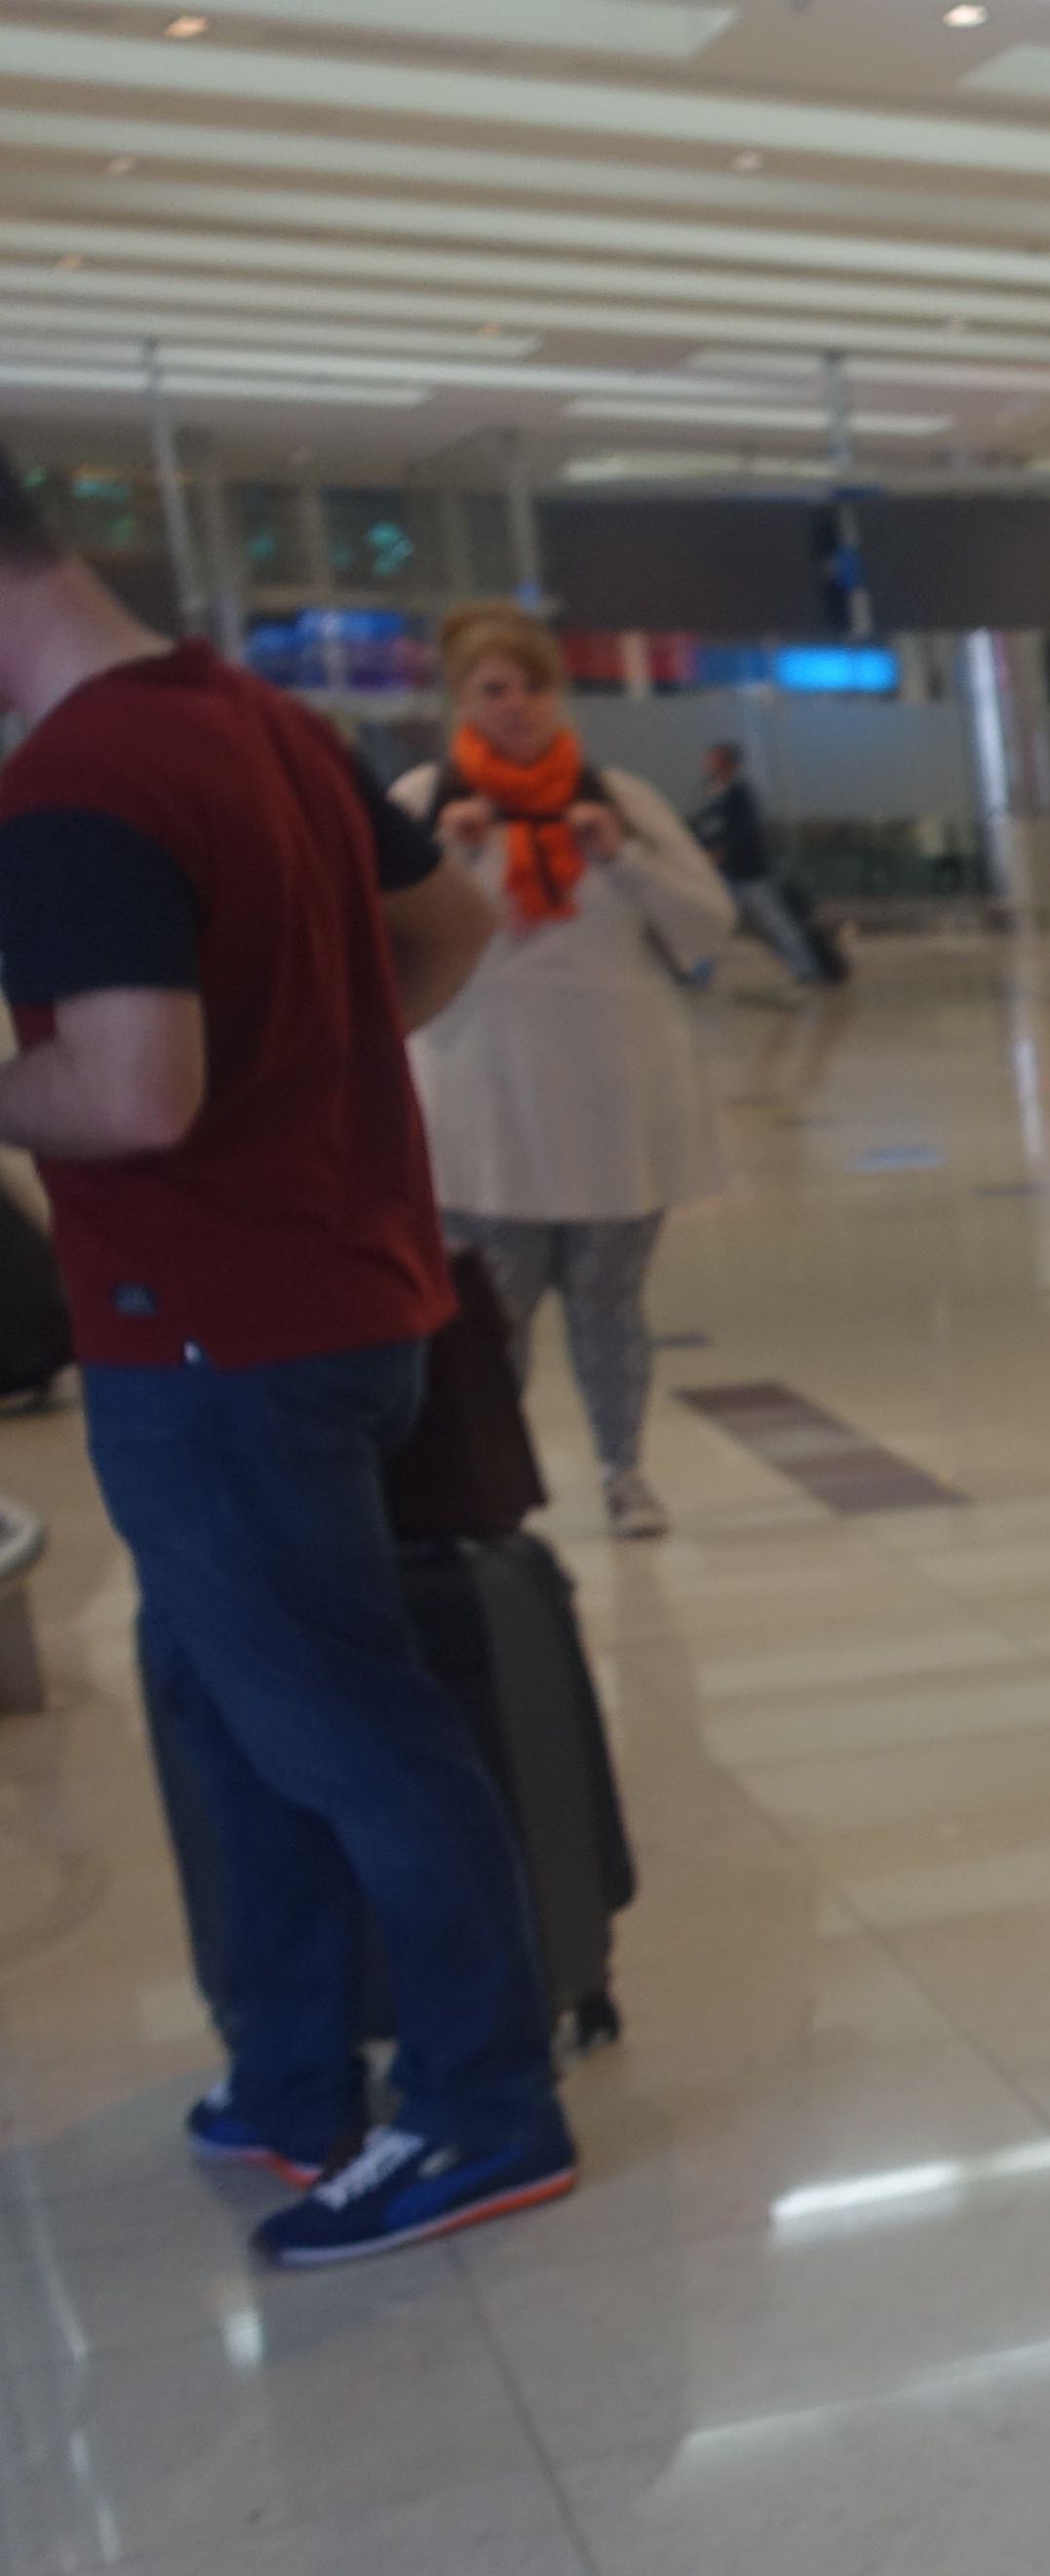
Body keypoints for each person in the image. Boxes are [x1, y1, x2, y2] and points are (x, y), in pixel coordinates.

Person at [0, 439, 583, 2265]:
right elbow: (450, 926)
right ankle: (294, 2073)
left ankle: (484, 2109)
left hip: (216, 1338)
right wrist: (301, 1081)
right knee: (229, 1697)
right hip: (336, 1297)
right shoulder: (255, 719)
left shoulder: (71, 782)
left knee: (345, 1721)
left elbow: (130, 1094)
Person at [391, 606, 735, 1542]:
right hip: (482, 1106)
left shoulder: (617, 797)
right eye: (493, 689)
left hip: (616, 1101)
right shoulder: (423, 800)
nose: (516, 705)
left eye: (533, 686)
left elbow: (707, 924)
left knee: (609, 1304)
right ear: (461, 700)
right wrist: (450, 854)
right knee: (490, 1319)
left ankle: (625, 1472)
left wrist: (621, 857)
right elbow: (368, 930)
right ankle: (489, 1492)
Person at [690, 737, 842, 989]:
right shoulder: (711, 792)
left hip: (748, 874)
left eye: (713, 759)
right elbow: (707, 828)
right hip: (723, 874)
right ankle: (700, 975)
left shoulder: (740, 793)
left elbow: (746, 830)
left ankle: (809, 970)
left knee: (775, 924)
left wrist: (724, 851)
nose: (707, 763)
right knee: (713, 922)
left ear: (727, 763)